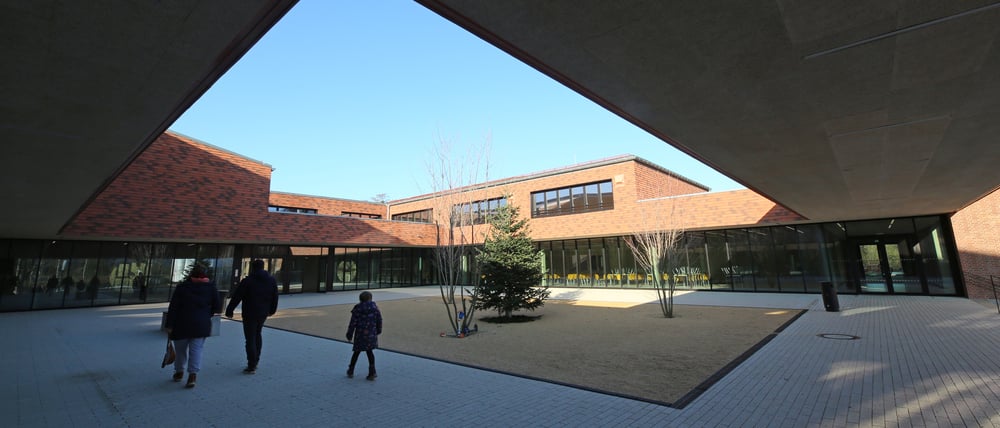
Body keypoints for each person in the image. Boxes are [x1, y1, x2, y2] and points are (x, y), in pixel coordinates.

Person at [164, 264, 221, 388]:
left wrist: (169, 325)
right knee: (196, 350)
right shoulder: (211, 288)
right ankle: (192, 375)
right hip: (201, 324)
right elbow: (217, 307)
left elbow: (173, 307)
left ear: (191, 275)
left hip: (181, 323)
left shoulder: (182, 287)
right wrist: (206, 314)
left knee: (180, 350)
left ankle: (179, 371)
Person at [225, 259, 278, 374]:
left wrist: (229, 310)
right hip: (263, 312)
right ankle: (256, 360)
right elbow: (275, 296)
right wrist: (272, 310)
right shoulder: (271, 280)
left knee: (250, 338)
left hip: (249, 313)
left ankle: (251, 364)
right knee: (258, 334)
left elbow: (237, 296)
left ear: (252, 268)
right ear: (263, 267)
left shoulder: (247, 281)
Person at [346, 291, 382, 380]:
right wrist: (378, 330)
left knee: (356, 352)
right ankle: (372, 372)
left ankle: (351, 370)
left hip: (360, 334)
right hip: (371, 334)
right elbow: (379, 320)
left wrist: (349, 334)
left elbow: (352, 323)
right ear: (370, 298)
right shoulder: (375, 308)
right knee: (370, 352)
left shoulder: (357, 308)